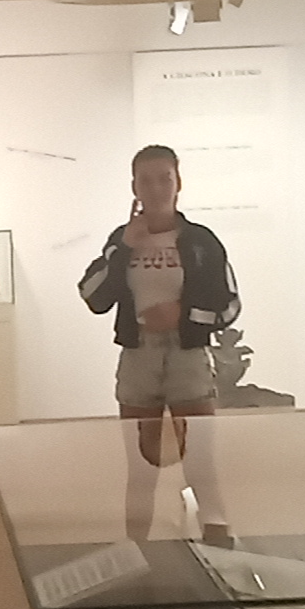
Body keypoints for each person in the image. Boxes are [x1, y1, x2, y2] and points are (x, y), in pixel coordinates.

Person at [78, 144, 240, 542]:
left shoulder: (201, 241)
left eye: (164, 179)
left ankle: (220, 551)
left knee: (200, 463)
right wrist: (123, 248)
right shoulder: (122, 239)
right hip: (139, 359)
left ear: (178, 182)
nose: (155, 188)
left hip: (188, 357)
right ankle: (137, 552)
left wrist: (183, 316)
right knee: (141, 469)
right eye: (146, 180)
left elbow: (230, 305)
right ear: (134, 187)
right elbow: (92, 296)